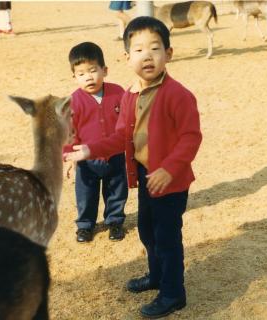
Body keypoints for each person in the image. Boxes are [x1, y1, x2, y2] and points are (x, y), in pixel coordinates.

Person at [64, 17, 202, 318]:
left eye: (155, 48)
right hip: (144, 174)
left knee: (166, 236)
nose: (147, 55)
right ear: (127, 58)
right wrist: (88, 149)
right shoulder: (130, 94)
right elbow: (120, 137)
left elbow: (191, 138)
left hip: (170, 180)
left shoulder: (178, 95)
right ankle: (156, 276)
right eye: (139, 49)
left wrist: (169, 169)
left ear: (169, 53)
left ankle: (173, 293)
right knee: (147, 230)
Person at [64, 42, 128, 243]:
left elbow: (129, 121)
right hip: (86, 159)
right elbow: (68, 132)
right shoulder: (73, 101)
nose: (88, 77)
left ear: (105, 70)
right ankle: (85, 226)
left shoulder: (118, 93)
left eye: (93, 70)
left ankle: (115, 221)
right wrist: (67, 156)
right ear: (74, 77)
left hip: (115, 155)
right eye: (81, 73)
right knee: (86, 195)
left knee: (116, 191)